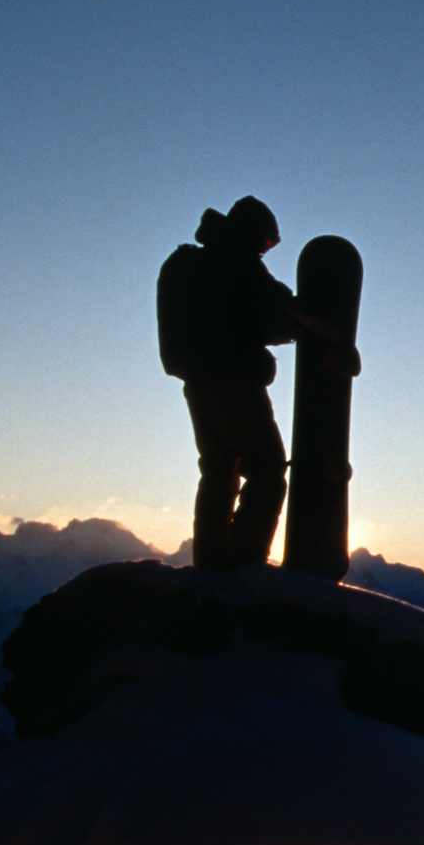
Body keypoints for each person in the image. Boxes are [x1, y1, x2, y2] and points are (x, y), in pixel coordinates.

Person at [156, 196, 332, 570]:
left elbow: (238, 317)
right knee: (267, 469)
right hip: (233, 383)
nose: (265, 251)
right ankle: (242, 568)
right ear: (253, 233)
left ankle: (211, 568)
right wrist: (324, 326)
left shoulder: (194, 264)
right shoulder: (235, 261)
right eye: (267, 242)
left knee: (219, 474)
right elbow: (279, 308)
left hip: (197, 384)